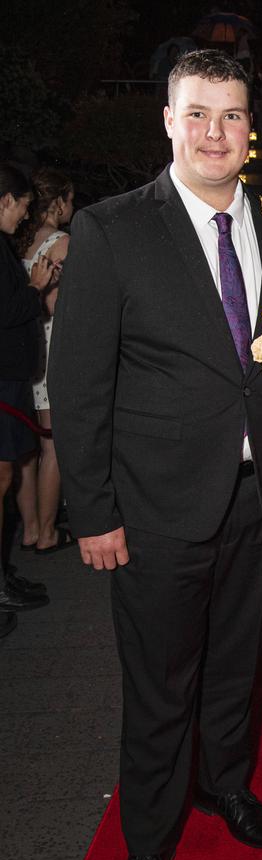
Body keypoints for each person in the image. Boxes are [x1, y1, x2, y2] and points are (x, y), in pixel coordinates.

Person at [48, 49, 262, 860]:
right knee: (161, 685)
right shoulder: (111, 230)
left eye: (232, 116)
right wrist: (94, 512)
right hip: (154, 507)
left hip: (255, 497)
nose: (214, 132)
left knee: (237, 665)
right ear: (167, 120)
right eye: (197, 113)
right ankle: (148, 846)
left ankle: (224, 785)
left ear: (251, 130)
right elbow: (80, 385)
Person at [0, 163, 52, 637]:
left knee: (10, 474)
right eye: (21, 206)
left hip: (11, 382)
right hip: (3, 385)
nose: (23, 217)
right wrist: (35, 287)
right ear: (6, 201)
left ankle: (3, 574)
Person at [14, 168, 75, 553]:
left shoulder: (20, 242)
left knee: (29, 449)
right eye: (69, 199)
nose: (73, 206)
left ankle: (31, 528)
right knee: (54, 446)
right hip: (55, 347)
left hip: (29, 349)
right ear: (57, 204)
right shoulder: (62, 243)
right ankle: (49, 533)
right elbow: (60, 306)